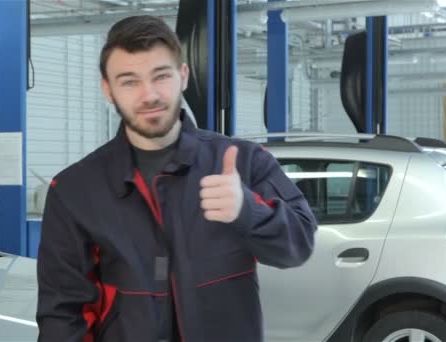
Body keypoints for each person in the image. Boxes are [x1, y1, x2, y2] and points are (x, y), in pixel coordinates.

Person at [36, 15, 317, 342]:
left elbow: (299, 245)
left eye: (161, 76)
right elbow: (63, 314)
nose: (149, 95)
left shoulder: (243, 162)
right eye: (129, 81)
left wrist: (247, 212)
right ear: (108, 89)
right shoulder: (75, 191)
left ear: (183, 76)